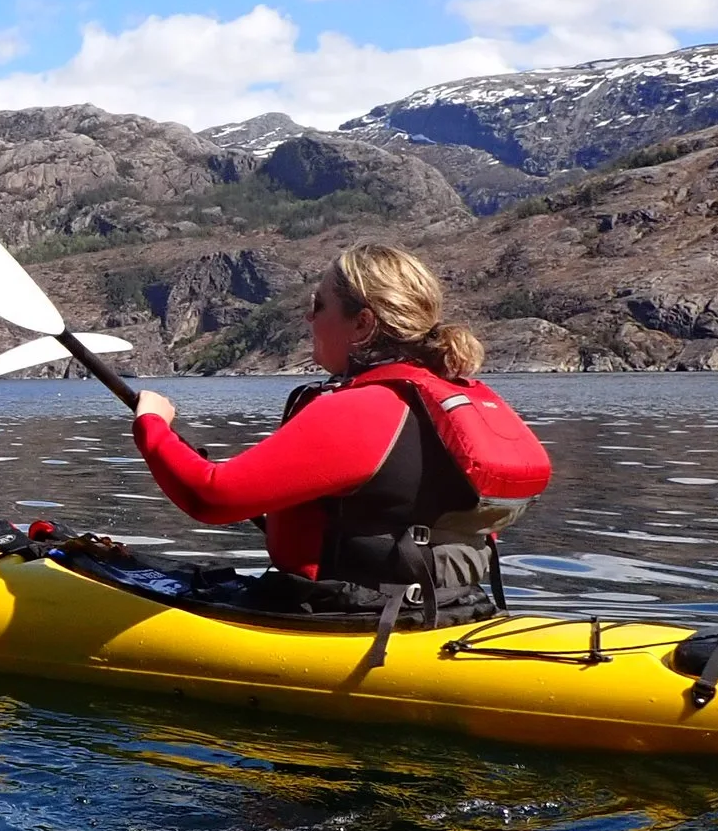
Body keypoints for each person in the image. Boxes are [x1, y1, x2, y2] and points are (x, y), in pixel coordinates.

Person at [128, 243, 551, 615]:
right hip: (452, 605)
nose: (309, 316)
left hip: (356, 617)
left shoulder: (366, 406)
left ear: (363, 324)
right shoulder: (448, 394)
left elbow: (210, 495)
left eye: (319, 305)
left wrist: (153, 424)